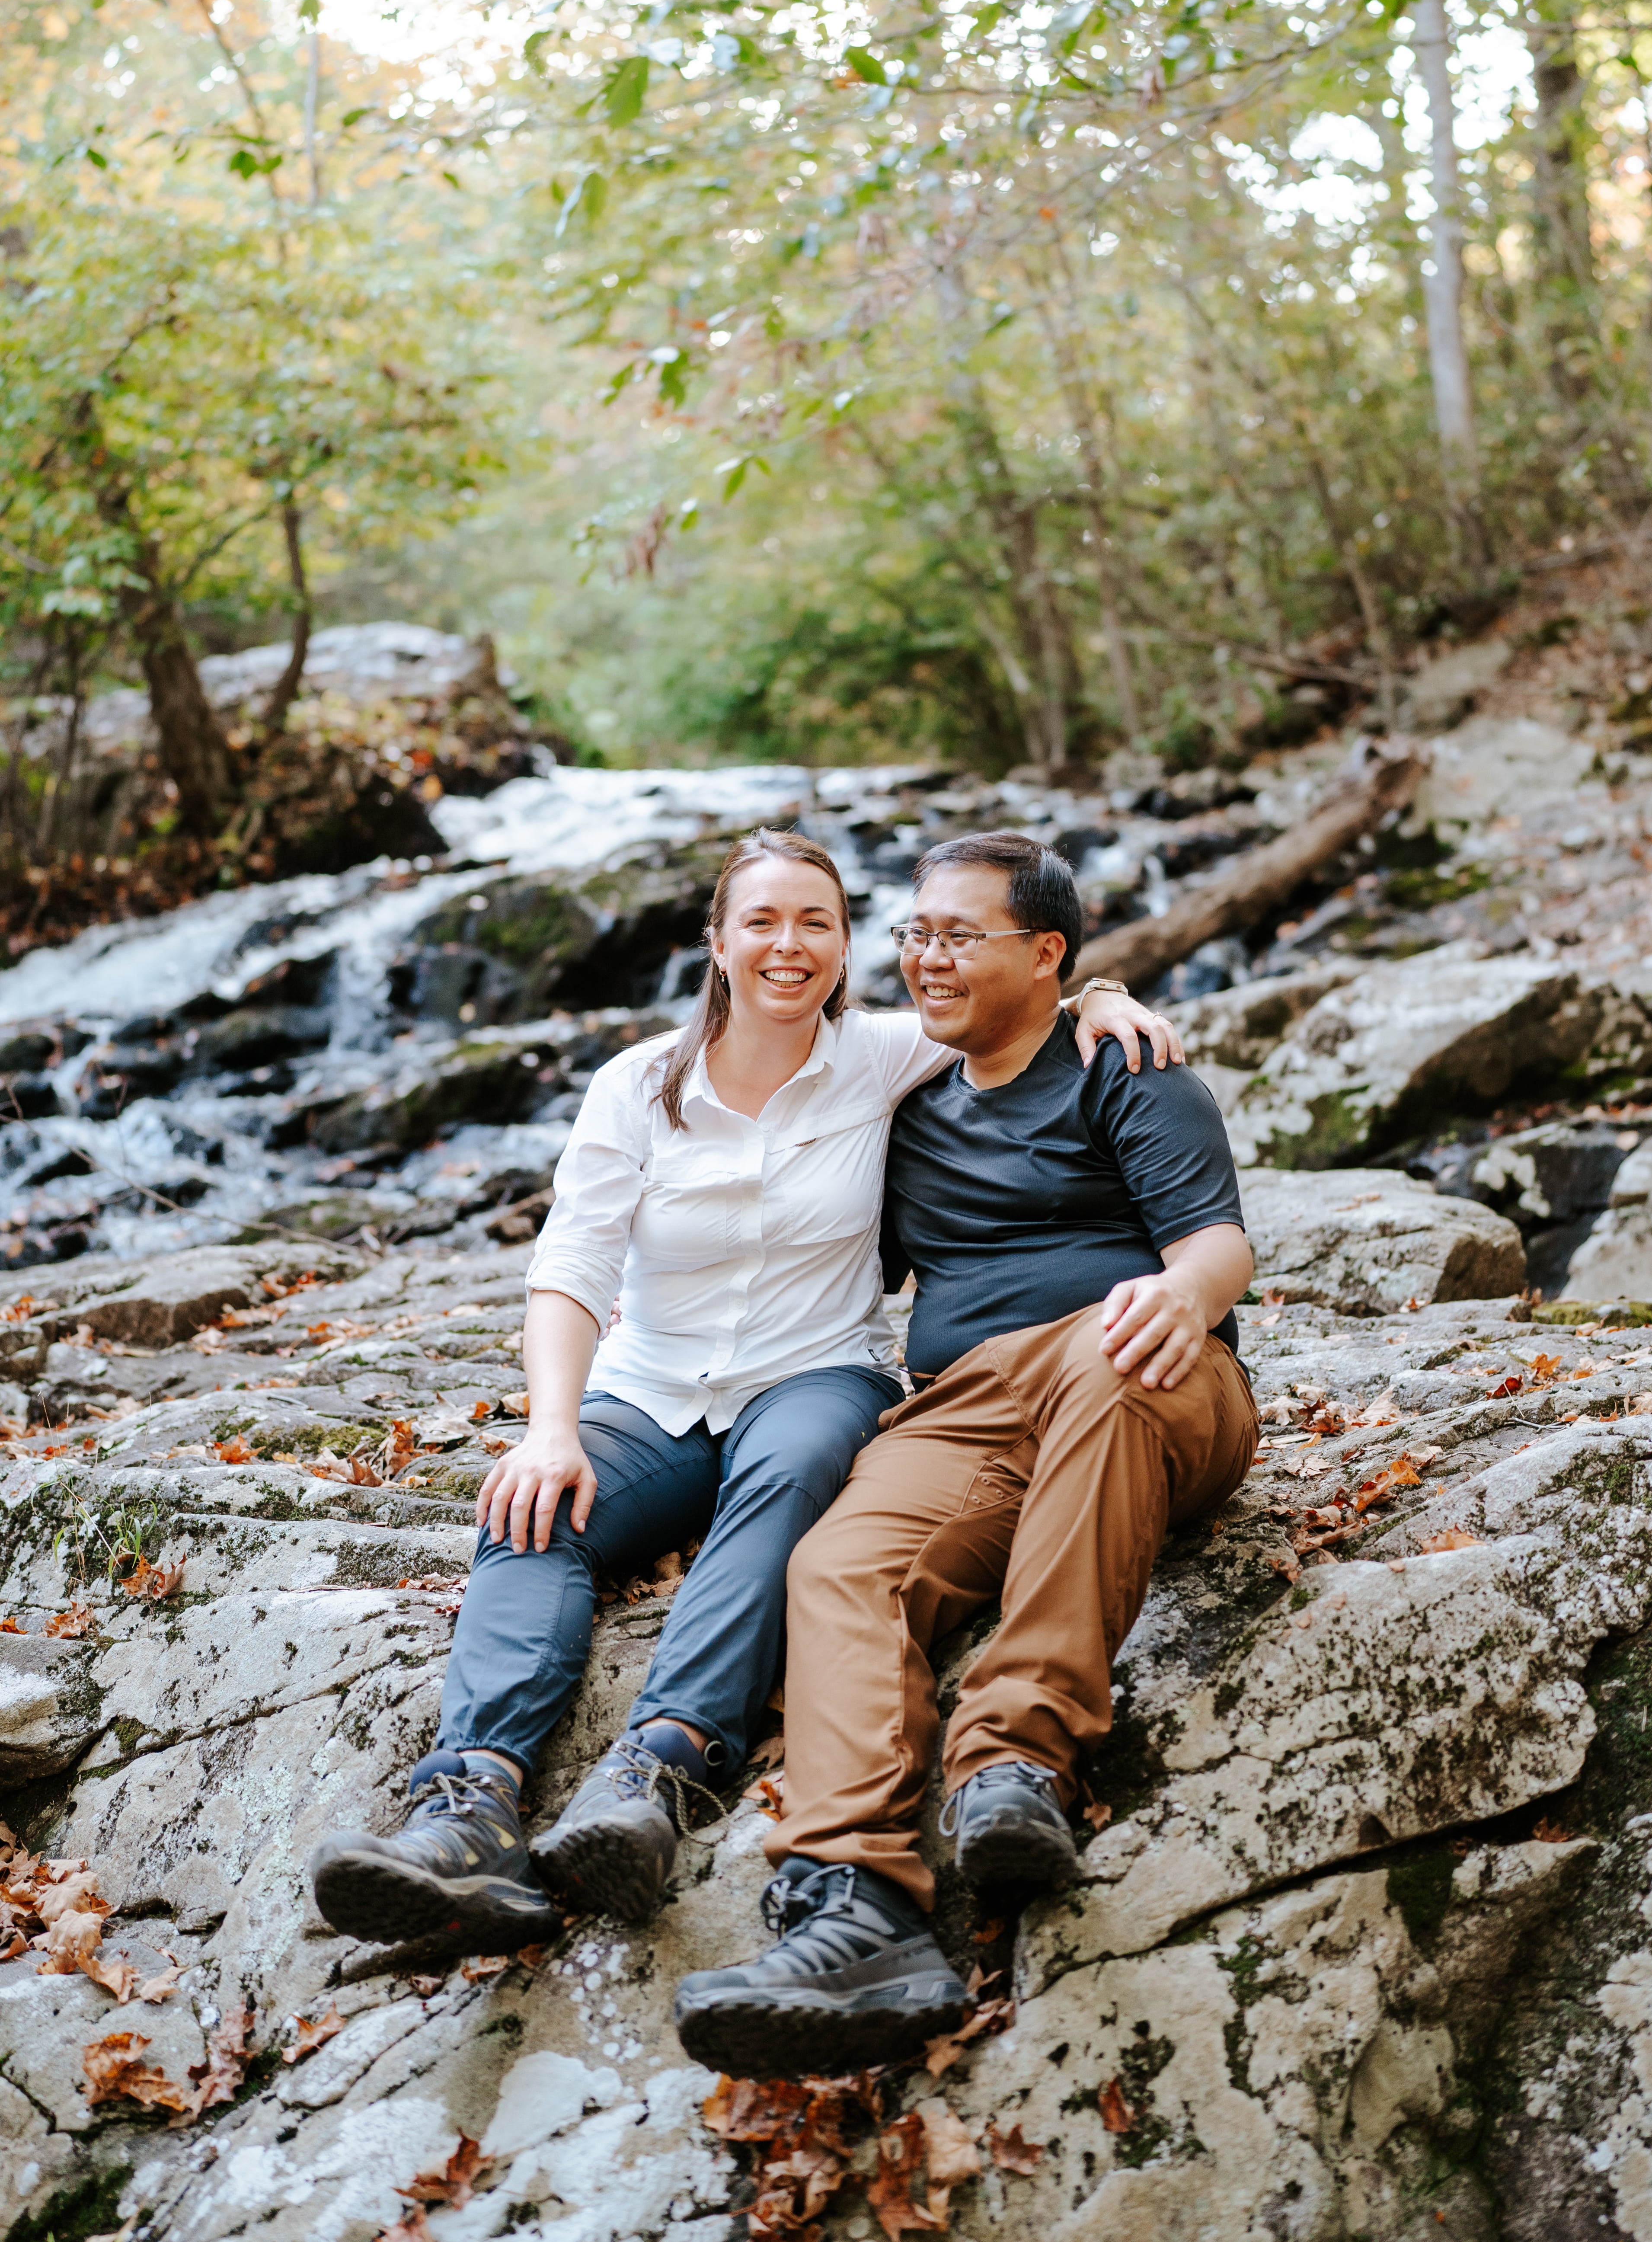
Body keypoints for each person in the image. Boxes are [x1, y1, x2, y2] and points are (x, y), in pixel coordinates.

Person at [308, 826, 1181, 1951]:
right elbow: (571, 1267)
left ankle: (659, 1773)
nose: (789, 944)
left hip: (814, 1375)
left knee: (796, 1472)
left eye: (817, 922)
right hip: (654, 1388)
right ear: (716, 943)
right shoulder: (634, 1086)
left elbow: (1011, 1003)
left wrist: (1100, 992)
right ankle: (468, 1808)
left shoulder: (885, 1054)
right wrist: (550, 1431)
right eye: (761, 920)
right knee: (532, 1514)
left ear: (846, 945)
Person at [673, 831, 1256, 2073]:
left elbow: (1216, 1244)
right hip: (965, 1409)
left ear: (1045, 955)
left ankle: (1013, 1764)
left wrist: (1180, 1297)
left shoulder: (1126, 1068)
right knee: (839, 1568)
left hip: (1152, 1376)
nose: (925, 961)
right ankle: (853, 1904)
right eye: (915, 937)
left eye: (957, 937)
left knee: (1110, 1359)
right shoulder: (905, 1099)